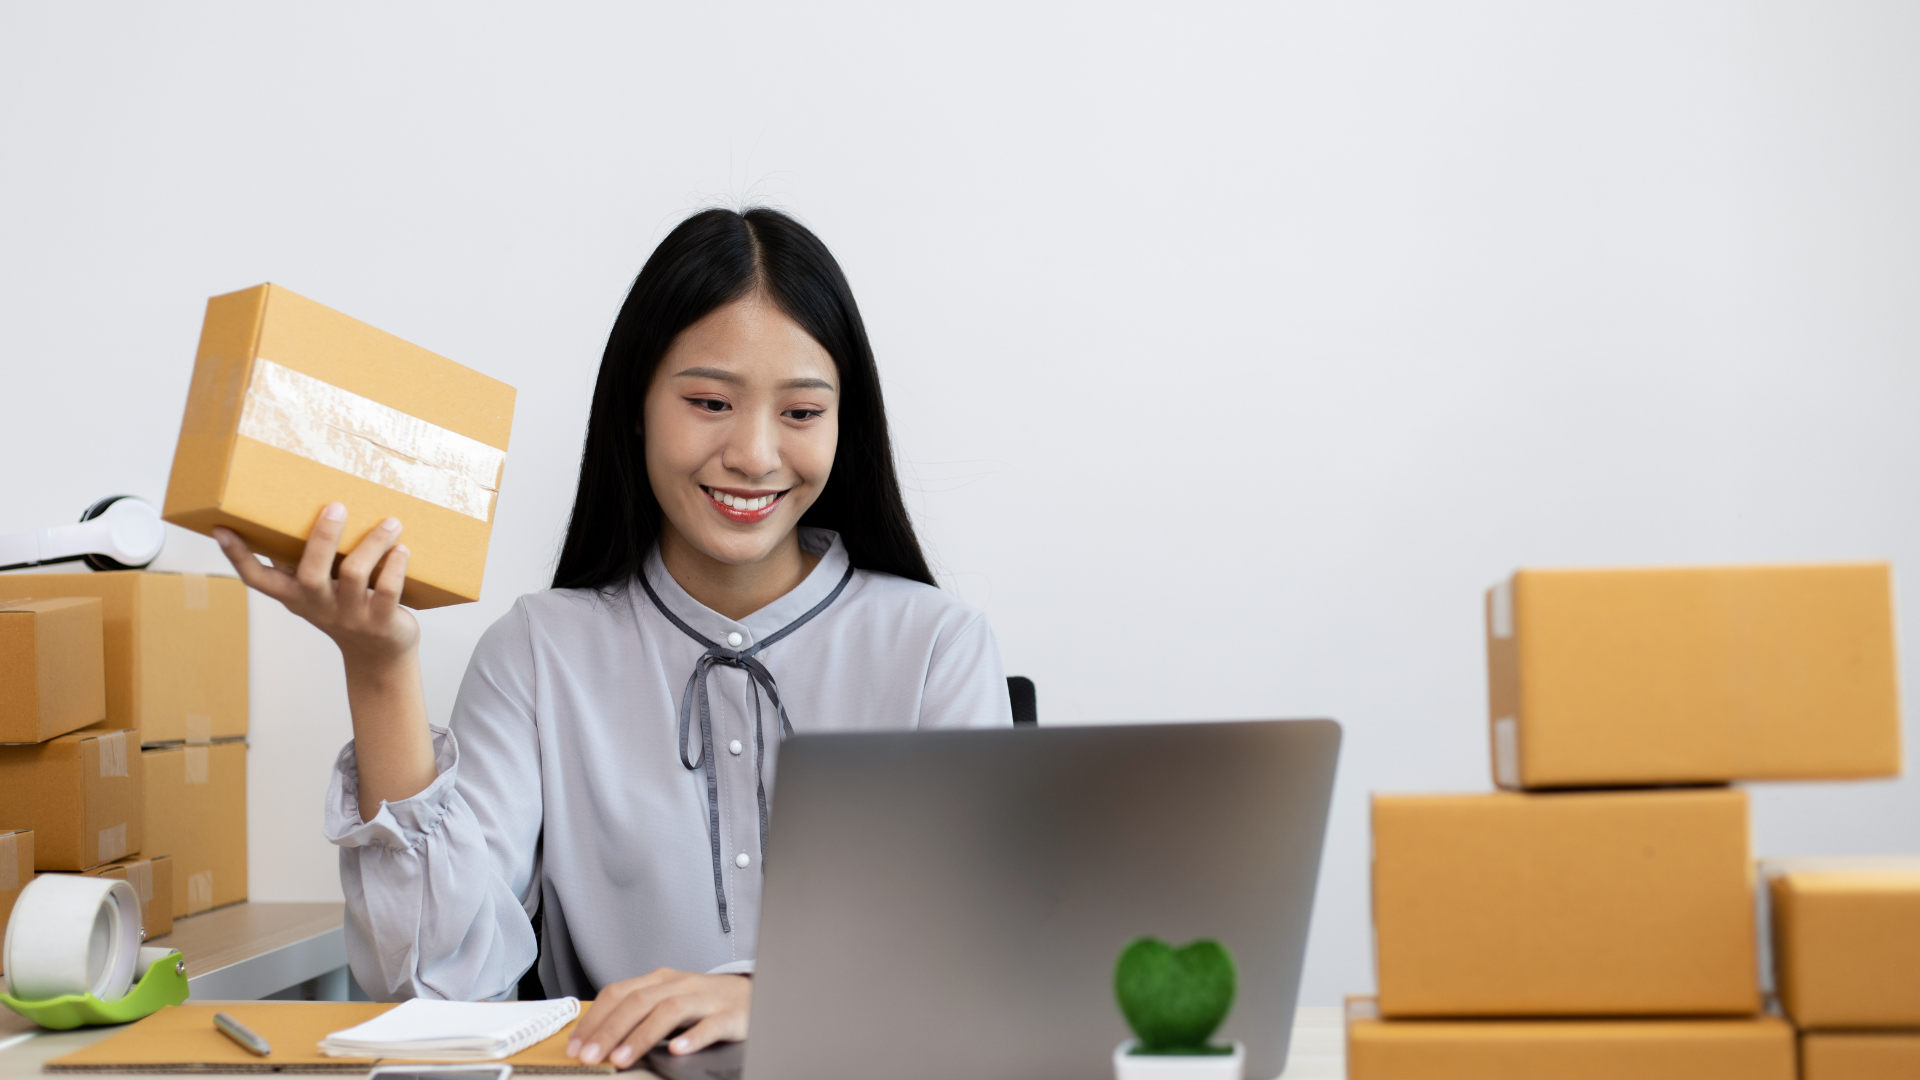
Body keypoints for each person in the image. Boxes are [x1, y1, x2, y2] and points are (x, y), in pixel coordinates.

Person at [214, 207, 1013, 1068]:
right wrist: (378, 667)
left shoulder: (937, 645)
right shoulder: (537, 649)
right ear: (636, 407)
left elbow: (981, 962)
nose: (753, 453)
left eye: (801, 412)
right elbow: (434, 990)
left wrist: (764, 992)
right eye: (709, 402)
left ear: (841, 426)